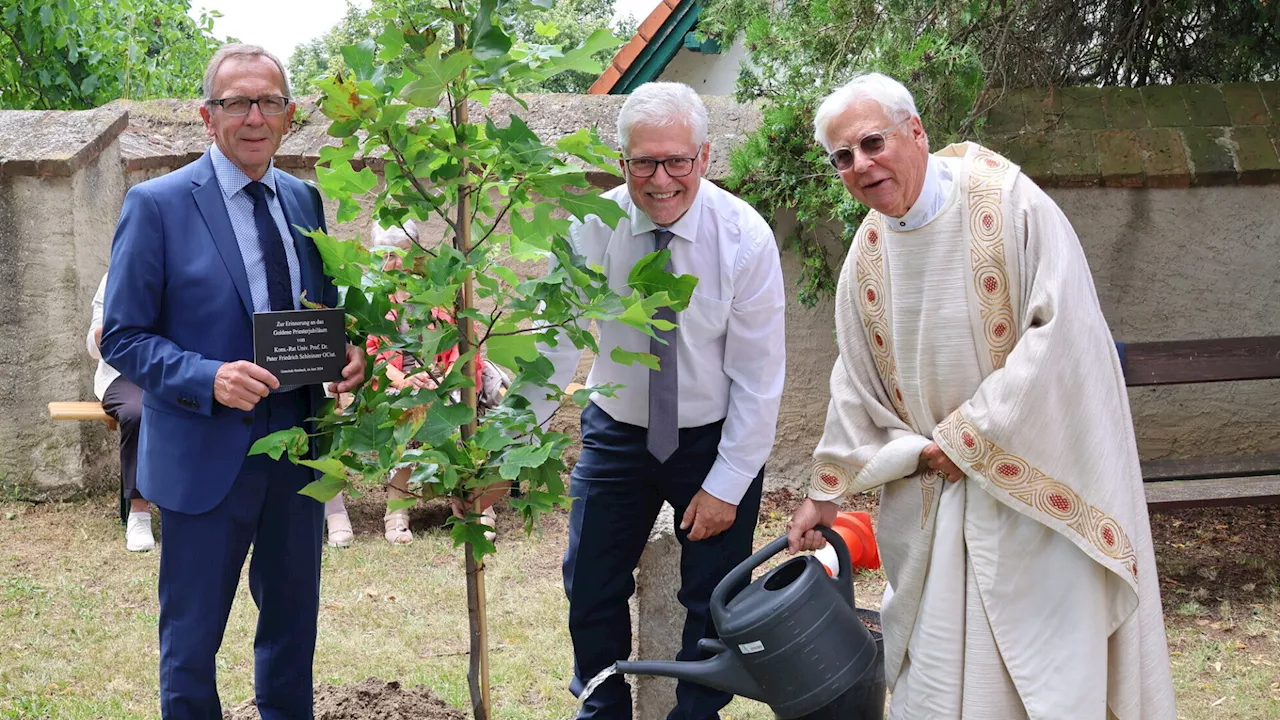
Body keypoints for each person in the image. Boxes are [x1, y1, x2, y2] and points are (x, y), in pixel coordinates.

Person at [785, 73, 1176, 719]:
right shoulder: (869, 253)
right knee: (937, 686)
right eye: (843, 157)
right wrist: (825, 495)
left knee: (1043, 679)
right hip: (934, 510)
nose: (861, 165)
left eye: (872, 142)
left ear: (917, 131)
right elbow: (855, 381)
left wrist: (968, 438)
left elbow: (1065, 339)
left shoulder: (1009, 206)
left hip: (1032, 495)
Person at [100, 44, 366, 720]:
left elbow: (319, 312)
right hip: (202, 453)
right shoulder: (156, 205)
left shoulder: (304, 199)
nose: (254, 116)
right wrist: (206, 376)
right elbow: (122, 335)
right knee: (191, 645)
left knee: (291, 631)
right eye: (237, 102)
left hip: (298, 450)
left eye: (269, 101)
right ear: (206, 116)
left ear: (289, 114)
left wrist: (350, 352)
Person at [526, 81, 786, 720]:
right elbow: (555, 343)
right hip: (619, 429)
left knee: (715, 598)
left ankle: (696, 715)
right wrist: (507, 446)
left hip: (712, 435)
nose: (661, 178)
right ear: (622, 161)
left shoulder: (745, 239)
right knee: (589, 586)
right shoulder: (594, 227)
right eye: (644, 161)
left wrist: (725, 486)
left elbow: (758, 379)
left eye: (678, 161)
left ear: (705, 157)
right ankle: (601, 706)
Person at [322, 222, 508, 547]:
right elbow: (374, 356)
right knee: (407, 415)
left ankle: (474, 505)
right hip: (400, 385)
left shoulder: (442, 290)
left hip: (445, 381)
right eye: (386, 254)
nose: (394, 262)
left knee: (457, 415)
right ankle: (398, 508)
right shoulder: (379, 296)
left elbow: (465, 345)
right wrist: (405, 379)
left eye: (401, 253)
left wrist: (442, 377)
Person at [87, 270, 156, 552]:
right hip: (122, 373)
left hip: (174, 366)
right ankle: (139, 512)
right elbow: (93, 347)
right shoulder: (114, 277)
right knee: (138, 412)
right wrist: (109, 327)